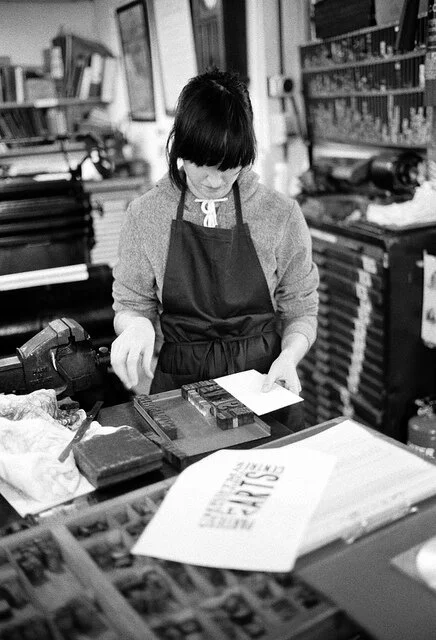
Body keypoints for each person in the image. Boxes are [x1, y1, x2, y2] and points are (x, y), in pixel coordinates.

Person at [111, 68, 318, 401]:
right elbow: (131, 303)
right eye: (202, 166)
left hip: (263, 383)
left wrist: (289, 356)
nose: (214, 181)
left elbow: (301, 309)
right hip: (180, 384)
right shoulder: (146, 214)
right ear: (180, 149)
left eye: (228, 167)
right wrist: (136, 325)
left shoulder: (280, 214)